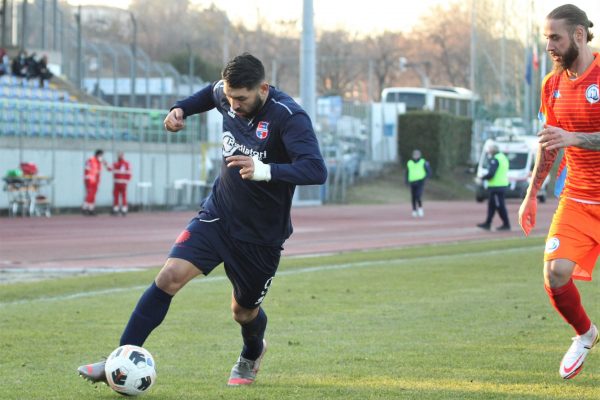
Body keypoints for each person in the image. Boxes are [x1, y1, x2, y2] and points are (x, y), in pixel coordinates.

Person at [77, 53, 327, 387]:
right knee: (169, 277)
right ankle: (117, 361)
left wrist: (264, 170)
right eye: (229, 97)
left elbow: (316, 169)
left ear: (263, 89)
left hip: (260, 235)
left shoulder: (289, 116)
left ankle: (252, 352)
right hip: (218, 215)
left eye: (241, 98)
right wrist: (179, 109)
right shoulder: (226, 96)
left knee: (243, 312)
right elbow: (205, 96)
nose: (233, 105)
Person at [518, 4, 600, 380]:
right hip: (579, 199)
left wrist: (576, 138)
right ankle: (584, 334)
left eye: (556, 37)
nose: (549, 45)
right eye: (546, 37)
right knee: (555, 272)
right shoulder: (551, 85)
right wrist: (532, 193)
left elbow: (569, 138)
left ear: (579, 36)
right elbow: (550, 145)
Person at [476, 143, 510, 231]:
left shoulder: (495, 159)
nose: (489, 151)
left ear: (493, 150)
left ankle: (506, 224)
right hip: (501, 185)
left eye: (490, 149)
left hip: (496, 187)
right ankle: (487, 223)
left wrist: (482, 178)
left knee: (500, 206)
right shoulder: (503, 157)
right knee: (492, 206)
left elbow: (491, 174)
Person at [405, 149, 430, 218]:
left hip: (420, 181)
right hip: (412, 181)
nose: (416, 156)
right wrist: (406, 181)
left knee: (418, 195)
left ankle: (420, 208)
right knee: (413, 197)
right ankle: (414, 210)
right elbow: (407, 173)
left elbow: (428, 171)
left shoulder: (423, 162)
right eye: (414, 155)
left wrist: (425, 178)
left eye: (417, 155)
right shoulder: (409, 162)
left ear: (419, 155)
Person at [82, 149, 106, 216]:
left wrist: (105, 163)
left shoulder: (99, 162)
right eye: (101, 155)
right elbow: (87, 170)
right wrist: (88, 178)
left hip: (96, 180)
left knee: (93, 195)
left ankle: (91, 209)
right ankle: (85, 207)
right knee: (90, 194)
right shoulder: (91, 160)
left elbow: (108, 169)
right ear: (98, 154)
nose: (102, 157)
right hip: (90, 180)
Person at [107, 151, 132, 216]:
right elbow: (129, 173)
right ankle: (123, 209)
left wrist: (105, 163)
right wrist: (127, 181)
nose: (119, 156)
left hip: (118, 182)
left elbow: (109, 168)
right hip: (122, 183)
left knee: (117, 196)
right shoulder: (127, 164)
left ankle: (117, 209)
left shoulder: (116, 164)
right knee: (121, 196)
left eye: (119, 155)